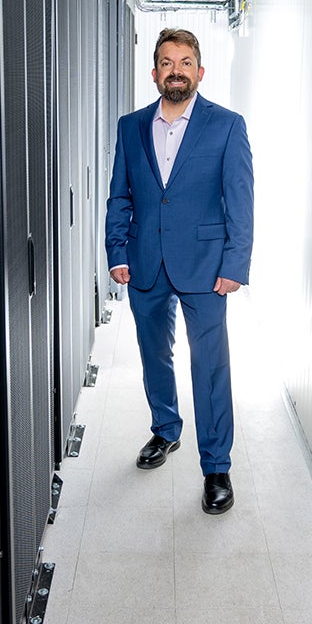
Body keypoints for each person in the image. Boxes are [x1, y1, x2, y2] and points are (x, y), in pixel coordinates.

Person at [105, 28, 254, 515]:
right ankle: (165, 430)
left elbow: (241, 202)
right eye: (167, 62)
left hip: (206, 267)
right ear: (154, 73)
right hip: (146, 262)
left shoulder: (227, 126)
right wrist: (117, 252)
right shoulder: (131, 127)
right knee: (154, 353)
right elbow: (120, 195)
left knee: (209, 366)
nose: (176, 70)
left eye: (186, 62)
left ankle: (216, 467)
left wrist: (235, 264)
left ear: (200, 71)